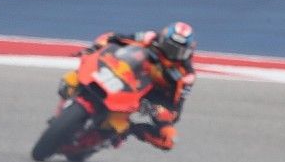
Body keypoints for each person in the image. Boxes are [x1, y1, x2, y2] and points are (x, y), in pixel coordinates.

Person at [57, 22, 197, 151]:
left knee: (168, 140)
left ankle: (130, 129)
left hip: (146, 97)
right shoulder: (149, 37)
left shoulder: (186, 76)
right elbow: (114, 38)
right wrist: (94, 48)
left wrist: (159, 112)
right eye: (169, 46)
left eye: (178, 51)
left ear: (187, 52)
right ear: (162, 39)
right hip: (123, 72)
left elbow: (176, 109)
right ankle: (63, 110)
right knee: (72, 79)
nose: (171, 53)